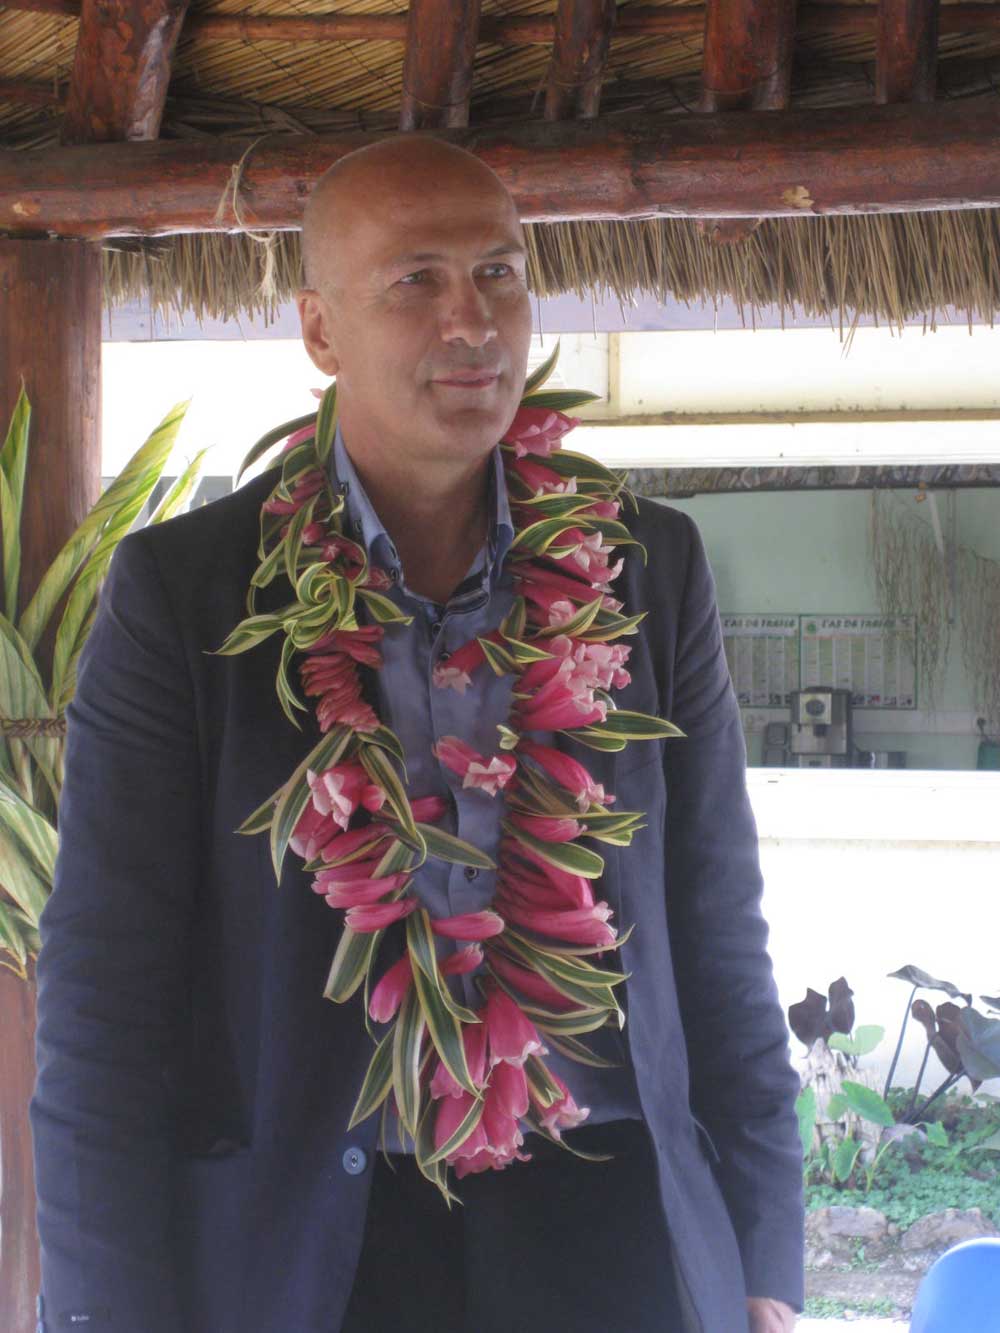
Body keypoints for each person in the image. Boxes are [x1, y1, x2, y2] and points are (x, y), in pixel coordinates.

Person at [31, 136, 804, 1333]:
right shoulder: (187, 594)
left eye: (498, 274)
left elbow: (716, 921)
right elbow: (103, 990)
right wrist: (101, 1313)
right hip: (318, 1246)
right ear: (320, 330)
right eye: (415, 280)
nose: (471, 321)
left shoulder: (648, 567)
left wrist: (762, 1254)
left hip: (612, 1227)